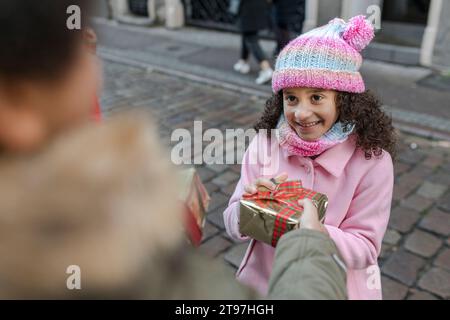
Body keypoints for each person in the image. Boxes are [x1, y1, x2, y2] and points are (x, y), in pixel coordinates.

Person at [0, 0, 346, 299]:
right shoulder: (109, 251)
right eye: (77, 49)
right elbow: (235, 220)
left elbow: (364, 238)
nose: (95, 70)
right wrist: (298, 239)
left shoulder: (368, 160)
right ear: (17, 104)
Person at [224, 16, 397, 300]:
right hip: (262, 288)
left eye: (316, 97)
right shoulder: (265, 143)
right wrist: (247, 210)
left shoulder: (373, 162)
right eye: (291, 98)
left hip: (334, 290)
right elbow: (231, 221)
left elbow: (365, 248)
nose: (301, 113)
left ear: (344, 98)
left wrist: (317, 235)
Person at [232, 0, 274, 85]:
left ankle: (266, 69)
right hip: (258, 6)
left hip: (248, 7)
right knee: (247, 33)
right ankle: (243, 61)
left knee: (251, 38)